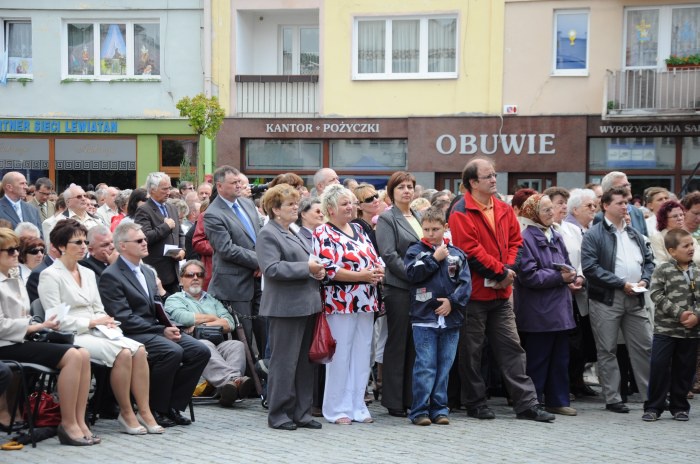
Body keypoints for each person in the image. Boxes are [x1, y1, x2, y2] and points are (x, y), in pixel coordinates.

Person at [449, 158, 555, 422]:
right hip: (474, 294)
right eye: (488, 177)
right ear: (473, 182)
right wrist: (501, 272)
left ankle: (526, 404)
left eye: (494, 175)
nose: (494, 180)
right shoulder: (461, 211)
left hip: (501, 293)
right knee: (472, 352)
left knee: (512, 349)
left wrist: (507, 271)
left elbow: (516, 242)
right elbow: (469, 251)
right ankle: (475, 402)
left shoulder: (504, 209)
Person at [38, 218, 163, 435]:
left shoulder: (86, 272)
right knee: (123, 353)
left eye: (84, 242)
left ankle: (144, 410)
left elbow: (97, 306)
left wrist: (106, 321)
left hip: (97, 328)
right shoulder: (50, 275)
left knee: (139, 349)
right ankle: (126, 412)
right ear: (60, 246)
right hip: (71, 333)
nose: (83, 247)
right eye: (77, 243)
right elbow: (56, 321)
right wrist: (92, 322)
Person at [98, 221, 210, 428]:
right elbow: (123, 317)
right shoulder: (111, 276)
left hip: (155, 329)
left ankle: (171, 406)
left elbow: (156, 307)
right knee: (172, 351)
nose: (145, 242)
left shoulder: (148, 272)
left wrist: (171, 325)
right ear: (122, 246)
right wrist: (161, 330)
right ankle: (152, 408)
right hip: (131, 333)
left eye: (145, 239)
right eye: (139, 240)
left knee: (199, 351)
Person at [0, 228, 94, 446]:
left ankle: (79, 421)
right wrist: (36, 326)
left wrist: (39, 325)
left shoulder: (13, 275)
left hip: (20, 339)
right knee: (72, 356)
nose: (17, 254)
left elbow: (23, 314)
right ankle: (67, 424)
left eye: (18, 250)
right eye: (11, 251)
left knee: (83, 354)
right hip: (5, 344)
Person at [313, 184, 384, 424]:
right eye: (345, 204)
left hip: (366, 300)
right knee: (340, 355)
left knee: (363, 354)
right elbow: (328, 268)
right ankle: (335, 408)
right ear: (330, 209)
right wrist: (361, 276)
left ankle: (358, 405)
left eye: (352, 203)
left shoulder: (359, 229)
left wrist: (377, 271)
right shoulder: (323, 232)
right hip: (340, 301)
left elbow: (375, 257)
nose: (351, 207)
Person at [257, 184, 325, 430]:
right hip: (285, 308)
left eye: (296, 203)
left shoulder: (293, 230)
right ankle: (278, 414)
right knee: (284, 363)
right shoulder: (268, 233)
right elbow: (271, 268)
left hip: (306, 304)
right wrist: (307, 268)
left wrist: (316, 271)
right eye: (290, 204)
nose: (296, 207)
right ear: (275, 209)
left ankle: (302, 412)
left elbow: (305, 262)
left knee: (304, 363)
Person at [581, 186, 654, 413]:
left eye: (627, 202)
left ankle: (650, 396)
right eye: (620, 203)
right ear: (605, 206)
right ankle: (613, 398)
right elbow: (590, 268)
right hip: (607, 299)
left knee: (645, 347)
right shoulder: (594, 234)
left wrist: (644, 280)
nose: (625, 206)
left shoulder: (634, 233)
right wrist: (620, 283)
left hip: (636, 297)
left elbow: (649, 262)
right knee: (607, 349)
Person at [404, 207, 471, 426]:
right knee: (425, 365)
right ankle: (419, 411)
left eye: (435, 229)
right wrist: (434, 258)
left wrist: (453, 302)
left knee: (444, 365)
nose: (431, 233)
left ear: (445, 228)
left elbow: (465, 284)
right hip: (424, 319)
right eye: (426, 229)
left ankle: (440, 409)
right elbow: (413, 274)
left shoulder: (457, 254)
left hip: (451, 320)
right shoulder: (415, 251)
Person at [514, 194, 578, 416]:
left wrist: (573, 275)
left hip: (559, 309)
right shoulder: (525, 238)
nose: (552, 213)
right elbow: (529, 276)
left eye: (552, 208)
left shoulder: (555, 235)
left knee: (560, 359)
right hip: (538, 311)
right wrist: (561, 277)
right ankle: (535, 401)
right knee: (538, 360)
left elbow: (567, 264)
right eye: (546, 210)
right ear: (533, 214)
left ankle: (558, 400)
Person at [165, 261, 253, 408]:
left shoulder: (213, 300)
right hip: (190, 343)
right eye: (190, 275)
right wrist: (214, 318)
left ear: (204, 278)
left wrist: (200, 324)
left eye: (199, 275)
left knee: (236, 345)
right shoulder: (174, 299)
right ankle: (234, 381)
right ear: (181, 279)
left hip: (218, 342)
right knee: (203, 345)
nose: (195, 278)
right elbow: (184, 317)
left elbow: (229, 323)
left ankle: (227, 390)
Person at [376, 171, 422, 418]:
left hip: (421, 289)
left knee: (415, 344)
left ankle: (411, 397)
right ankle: (393, 400)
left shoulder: (419, 215)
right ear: (392, 192)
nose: (406, 190)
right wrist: (414, 274)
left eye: (410, 186)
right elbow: (389, 255)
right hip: (399, 288)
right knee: (397, 343)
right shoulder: (387, 218)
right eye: (401, 187)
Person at [204, 166, 264, 355]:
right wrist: (259, 261)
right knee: (243, 338)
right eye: (234, 183)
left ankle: (266, 373)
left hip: (259, 279)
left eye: (240, 182)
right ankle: (247, 379)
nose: (239, 186)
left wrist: (263, 261)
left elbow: (260, 234)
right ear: (220, 186)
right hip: (235, 285)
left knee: (264, 331)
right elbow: (226, 249)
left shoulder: (246, 203)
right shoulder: (213, 213)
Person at [644, 228, 700, 421]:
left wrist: (697, 316)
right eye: (686, 246)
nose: (691, 248)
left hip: (690, 332)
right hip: (666, 331)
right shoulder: (663, 269)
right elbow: (656, 294)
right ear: (672, 251)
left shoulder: (698, 271)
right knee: (659, 366)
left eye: (692, 244)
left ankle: (680, 406)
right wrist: (679, 313)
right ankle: (654, 406)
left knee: (685, 370)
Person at [559, 188, 599, 398]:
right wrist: (566, 281)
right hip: (561, 292)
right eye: (559, 204)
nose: (562, 208)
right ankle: (566, 383)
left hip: (579, 291)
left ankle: (577, 380)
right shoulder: (555, 231)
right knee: (569, 342)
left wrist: (581, 277)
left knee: (581, 341)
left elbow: (585, 259)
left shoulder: (575, 231)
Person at [135, 172, 185, 296]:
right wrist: (165, 227)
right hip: (157, 272)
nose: (168, 192)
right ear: (152, 190)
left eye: (169, 188)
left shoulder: (171, 208)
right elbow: (144, 237)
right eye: (164, 189)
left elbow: (180, 233)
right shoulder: (143, 210)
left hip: (174, 271)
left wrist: (183, 250)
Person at [650, 200, 700, 266]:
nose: (680, 218)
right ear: (664, 219)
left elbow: (698, 258)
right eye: (675, 216)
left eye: (681, 215)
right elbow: (661, 262)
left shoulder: (688, 236)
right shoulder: (657, 238)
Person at [0, 172, 42, 236]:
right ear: (9, 187)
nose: (26, 187)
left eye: (26, 183)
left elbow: (40, 237)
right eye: (22, 184)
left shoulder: (32, 209)